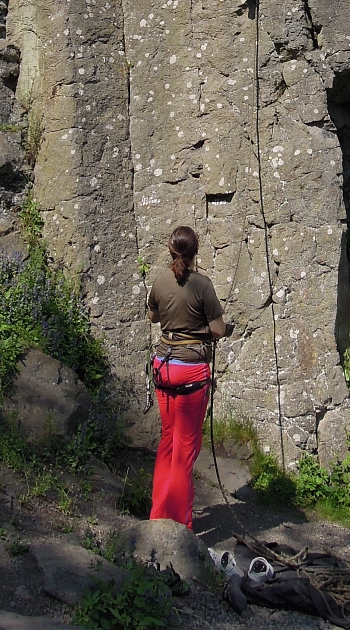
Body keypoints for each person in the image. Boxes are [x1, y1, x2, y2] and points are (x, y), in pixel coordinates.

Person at [147, 225, 232, 529]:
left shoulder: (159, 280)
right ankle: (179, 526)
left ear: (170, 251)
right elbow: (219, 330)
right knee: (185, 449)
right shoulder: (202, 285)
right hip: (191, 372)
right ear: (195, 252)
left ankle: (158, 517)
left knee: (168, 442)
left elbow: (154, 316)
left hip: (163, 367)